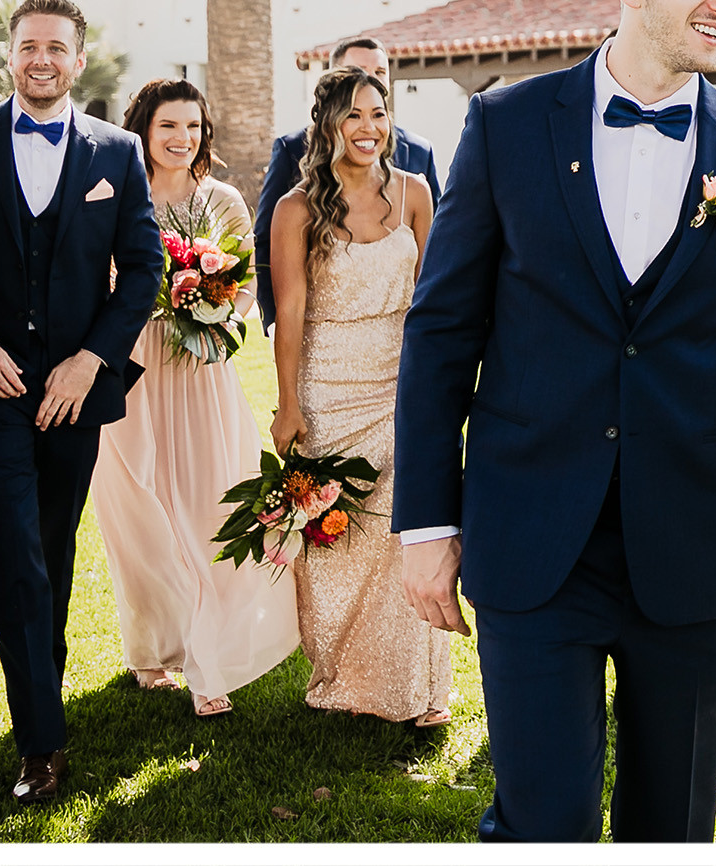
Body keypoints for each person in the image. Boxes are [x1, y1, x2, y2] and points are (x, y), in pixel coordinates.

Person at [395, 0, 716, 843]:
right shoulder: (506, 126)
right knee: (543, 822)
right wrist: (426, 521)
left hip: (692, 542)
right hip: (532, 539)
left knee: (671, 827)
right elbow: (442, 334)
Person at [0, 0, 164, 806]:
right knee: (18, 552)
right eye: (28, 46)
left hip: (78, 392)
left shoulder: (119, 151)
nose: (42, 59)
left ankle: (38, 697)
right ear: (11, 56)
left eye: (57, 48)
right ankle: (43, 745)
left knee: (54, 550)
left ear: (78, 59)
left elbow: (142, 269)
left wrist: (90, 361)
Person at [91, 78, 300, 717]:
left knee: (208, 503)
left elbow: (245, 281)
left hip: (200, 367)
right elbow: (91, 274)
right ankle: (154, 647)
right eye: (168, 128)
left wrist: (214, 312)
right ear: (142, 133)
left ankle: (212, 654)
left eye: (193, 127)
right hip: (132, 366)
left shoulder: (224, 199)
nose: (183, 139)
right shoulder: (113, 193)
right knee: (142, 509)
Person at [268, 66, 449, 722]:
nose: (368, 129)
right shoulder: (294, 210)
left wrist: (440, 388)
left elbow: (438, 301)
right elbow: (289, 314)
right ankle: (343, 679)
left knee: (407, 534)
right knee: (336, 537)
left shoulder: (417, 193)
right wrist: (289, 404)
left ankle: (416, 690)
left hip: (402, 385)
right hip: (327, 385)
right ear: (327, 126)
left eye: (377, 114)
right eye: (353, 116)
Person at [255, 37, 440, 333]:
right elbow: (266, 239)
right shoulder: (291, 150)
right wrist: (275, 319)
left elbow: (435, 256)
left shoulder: (419, 152)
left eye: (380, 72)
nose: (369, 78)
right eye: (358, 70)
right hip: (323, 338)